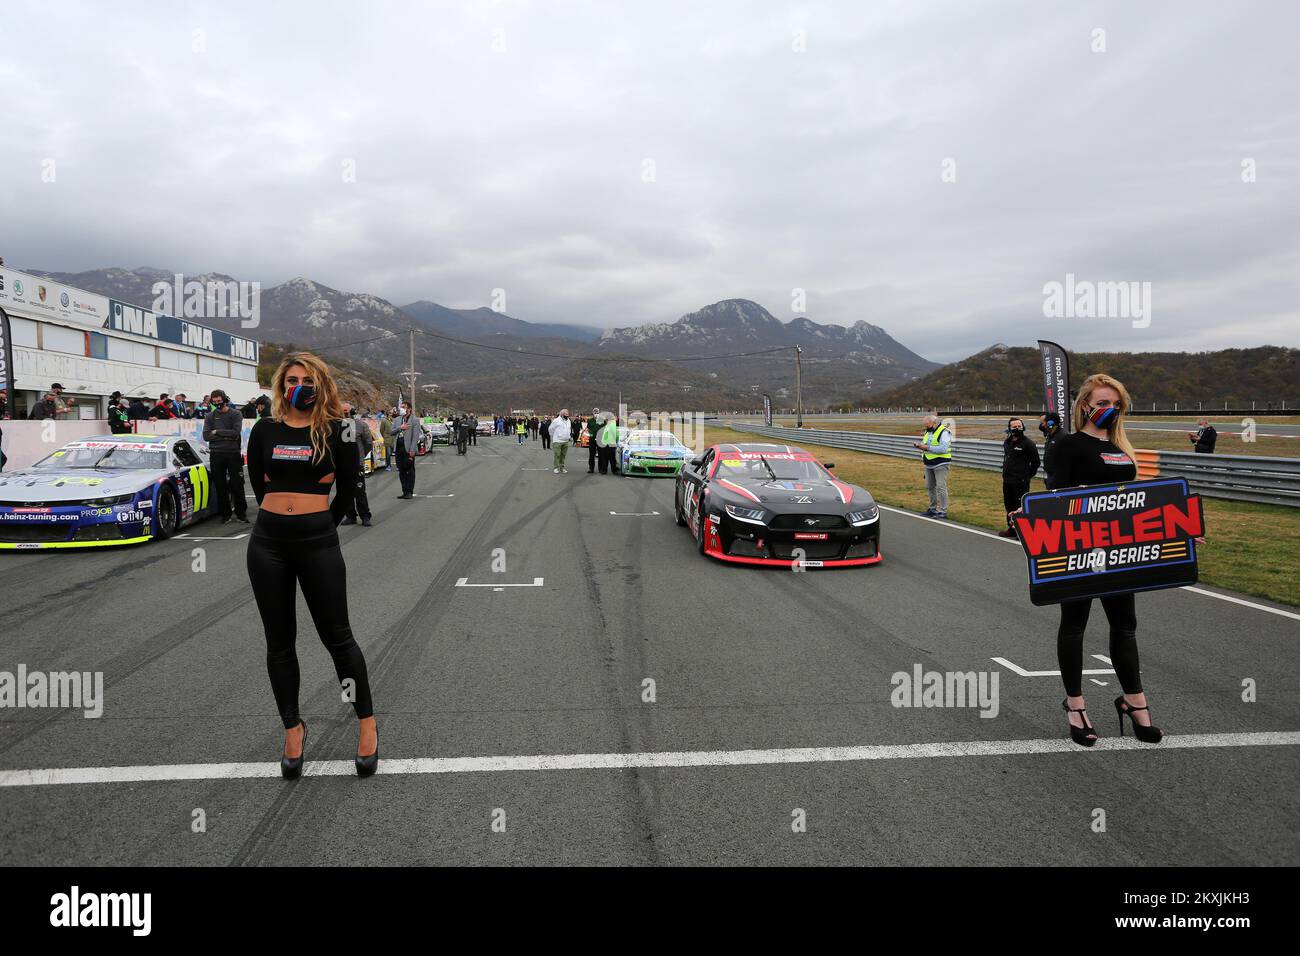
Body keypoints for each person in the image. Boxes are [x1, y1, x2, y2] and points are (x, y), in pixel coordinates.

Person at [246, 352, 378, 778]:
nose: (296, 386)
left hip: (317, 542)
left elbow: (347, 488)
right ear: (280, 386)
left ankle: (367, 724)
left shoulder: (337, 430)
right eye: (289, 379)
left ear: (320, 384)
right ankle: (292, 729)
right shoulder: (264, 430)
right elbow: (259, 485)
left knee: (338, 639)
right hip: (268, 544)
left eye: (305, 379)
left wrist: (320, 525)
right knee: (279, 643)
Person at [1050, 373, 1163, 748]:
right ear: (1084, 406)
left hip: (1117, 549)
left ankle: (1134, 701)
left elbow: (1135, 500)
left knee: (1125, 626)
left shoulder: (1121, 446)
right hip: (1080, 549)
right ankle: (1075, 705)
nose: (1109, 410)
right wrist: (1075, 497)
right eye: (1102, 403)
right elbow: (1054, 497)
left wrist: (1176, 528)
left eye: (1116, 405)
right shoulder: (1068, 445)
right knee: (1075, 624)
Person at [203, 389, 249, 525]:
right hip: (216, 454)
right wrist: (225, 435)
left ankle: (241, 514)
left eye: (219, 401)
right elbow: (206, 436)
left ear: (225, 399)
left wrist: (217, 432)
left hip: (233, 453)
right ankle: (225, 514)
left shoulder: (236, 414)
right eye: (214, 401)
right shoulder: (210, 416)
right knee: (220, 485)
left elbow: (235, 433)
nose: (217, 403)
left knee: (237, 484)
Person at [997, 418, 1040, 537]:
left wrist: (1026, 475)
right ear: (1009, 428)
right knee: (1009, 505)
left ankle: (1022, 532)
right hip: (1007, 480)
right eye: (1014, 426)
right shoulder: (1007, 442)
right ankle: (1011, 528)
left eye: (1019, 426)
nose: (1017, 428)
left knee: (1020, 507)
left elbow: (1036, 463)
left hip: (1021, 481)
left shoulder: (1028, 443)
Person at [339, 403, 373, 527]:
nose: (345, 414)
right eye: (342, 412)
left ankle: (365, 516)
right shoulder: (336, 425)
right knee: (344, 491)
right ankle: (350, 516)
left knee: (359, 491)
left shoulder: (361, 425)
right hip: (341, 465)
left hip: (357, 464)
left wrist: (360, 456)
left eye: (347, 412)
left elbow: (368, 443)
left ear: (352, 412)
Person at [913, 413, 951, 519]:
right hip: (928, 463)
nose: (926, 427)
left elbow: (943, 448)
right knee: (930, 487)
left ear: (934, 423)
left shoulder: (944, 432)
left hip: (941, 463)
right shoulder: (928, 431)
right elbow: (926, 443)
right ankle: (932, 509)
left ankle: (943, 511)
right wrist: (920, 445)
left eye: (927, 425)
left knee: (941, 487)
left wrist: (927, 448)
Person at [392, 400, 421, 499]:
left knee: (410, 470)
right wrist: (400, 427)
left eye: (403, 407)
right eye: (401, 407)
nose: (401, 409)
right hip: (398, 449)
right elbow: (391, 432)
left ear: (409, 409)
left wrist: (412, 450)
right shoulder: (397, 420)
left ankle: (409, 491)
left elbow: (415, 436)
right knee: (401, 471)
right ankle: (404, 491)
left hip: (408, 449)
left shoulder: (415, 420)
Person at [1038, 411, 1064, 489]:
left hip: (1059, 478)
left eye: (1043, 423)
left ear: (1050, 423)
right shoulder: (1050, 435)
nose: (1042, 426)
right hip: (1051, 475)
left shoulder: (1063, 437)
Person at [549, 409, 573, 473]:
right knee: (557, 454)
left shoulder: (568, 421)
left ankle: (562, 468)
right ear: (562, 414)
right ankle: (556, 467)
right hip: (557, 441)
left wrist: (569, 437)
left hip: (565, 441)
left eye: (568, 415)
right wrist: (555, 436)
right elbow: (550, 429)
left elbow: (569, 430)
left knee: (563, 455)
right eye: (566, 415)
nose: (567, 416)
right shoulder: (556, 421)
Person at [586, 408, 602, 472]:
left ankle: (601, 469)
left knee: (601, 454)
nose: (596, 414)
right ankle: (591, 468)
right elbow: (588, 429)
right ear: (593, 413)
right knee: (591, 454)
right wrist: (590, 434)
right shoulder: (590, 420)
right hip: (592, 439)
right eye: (595, 412)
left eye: (597, 412)